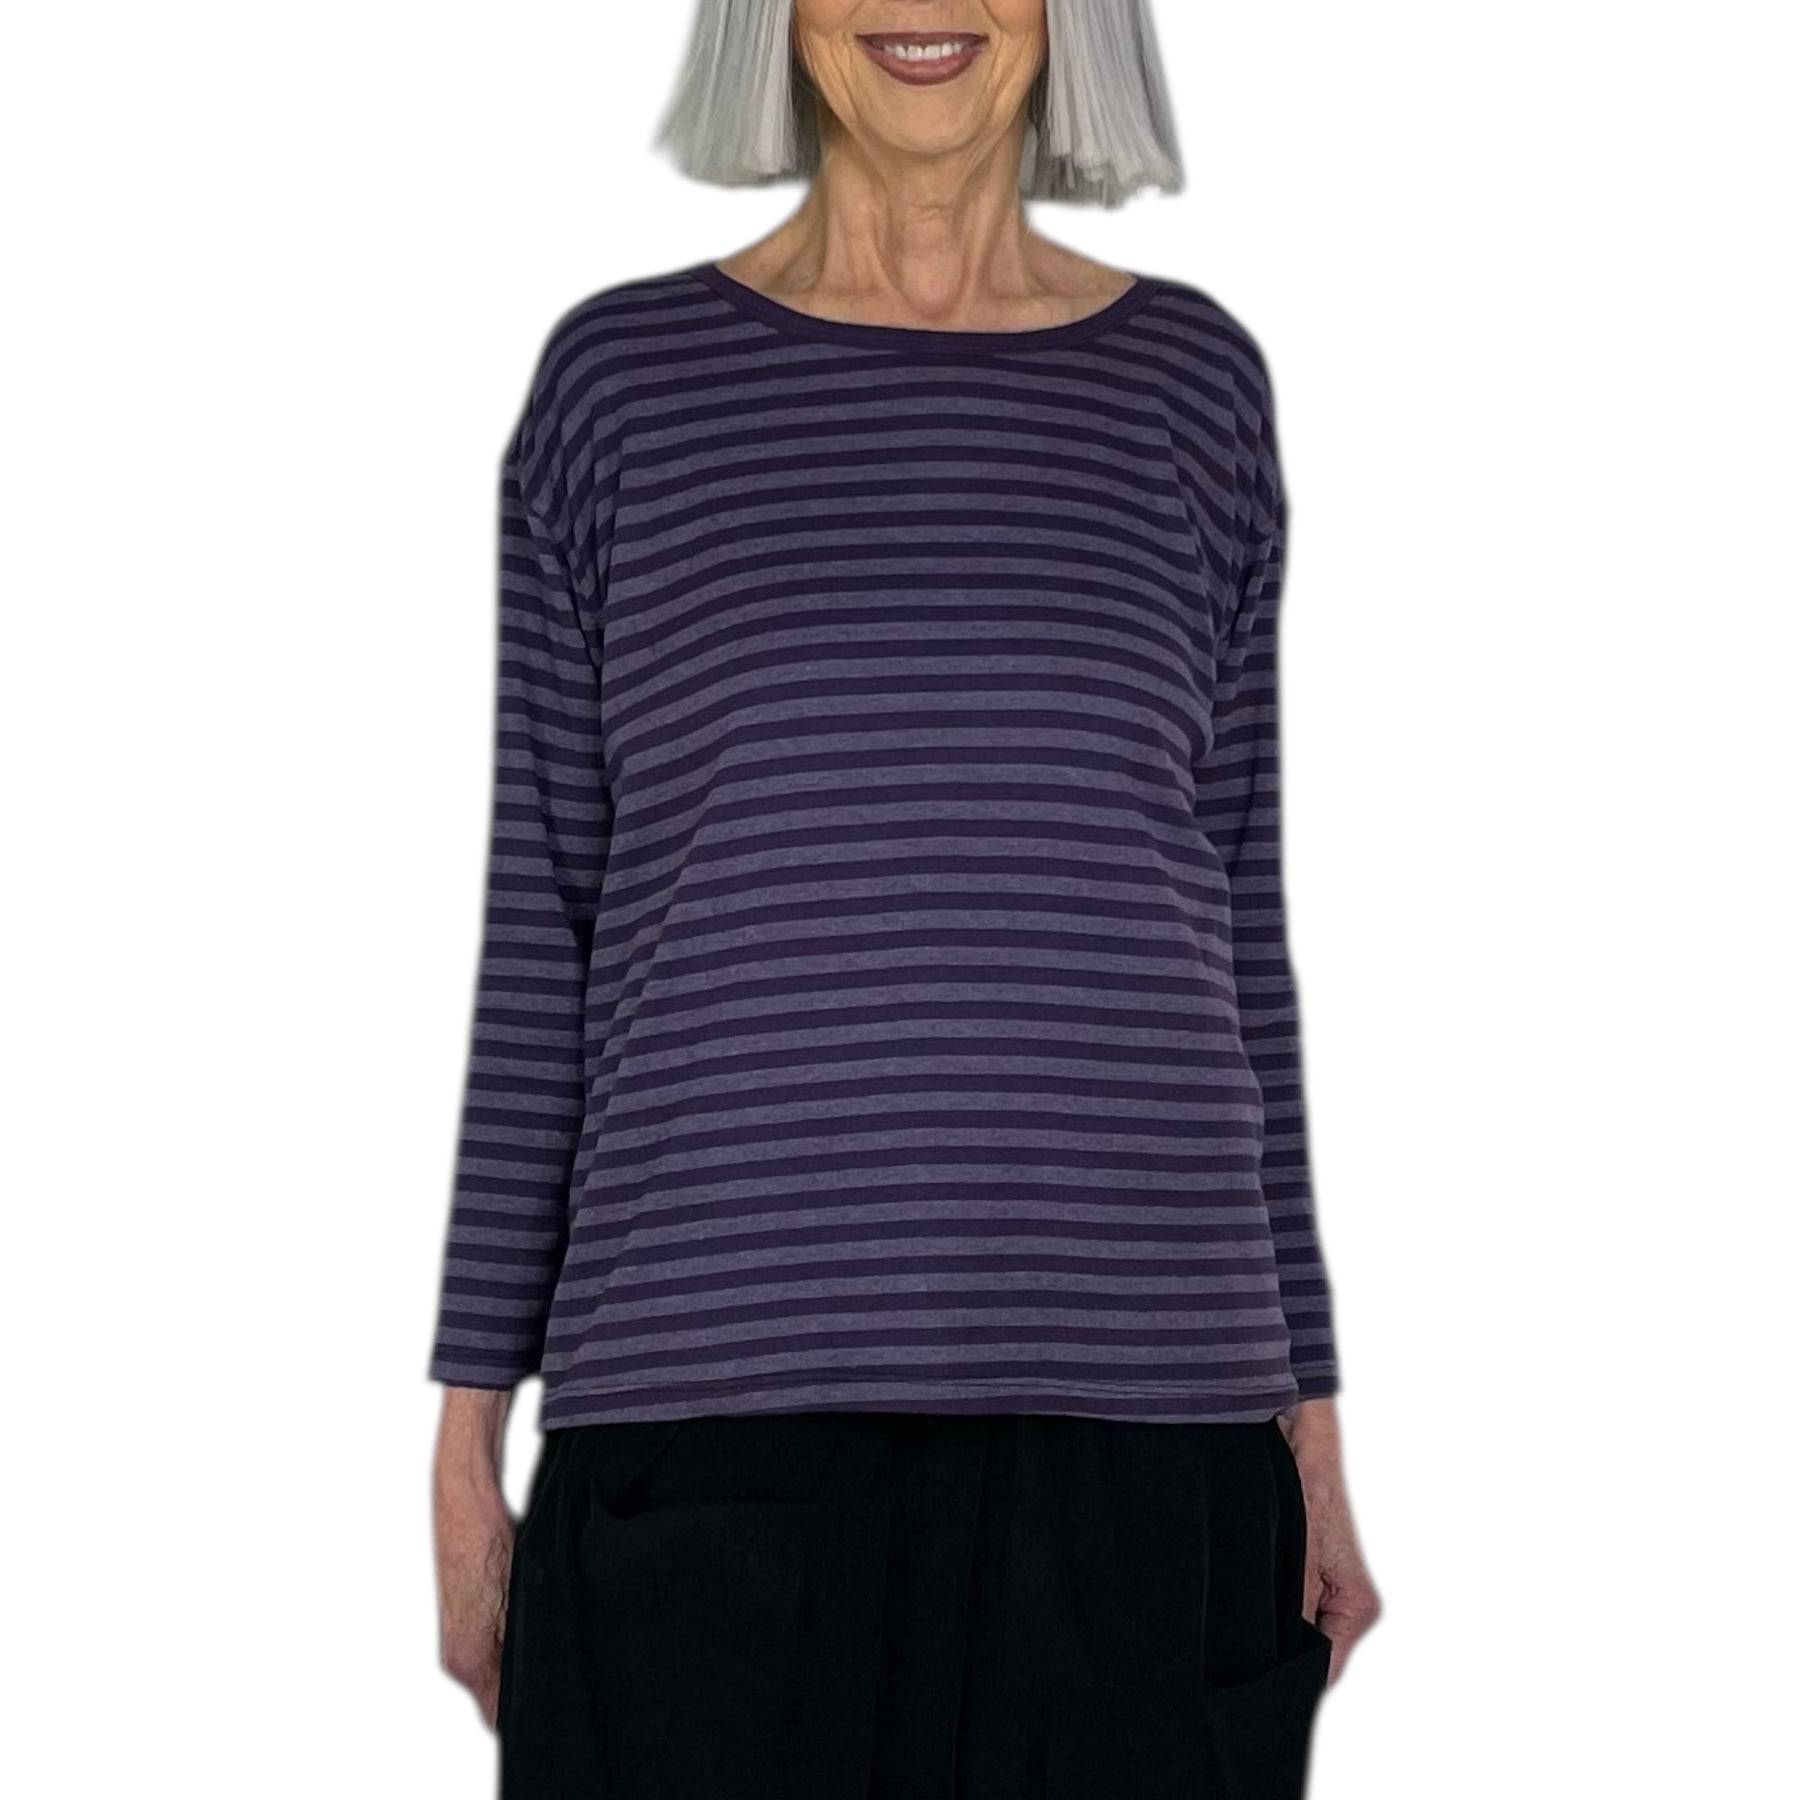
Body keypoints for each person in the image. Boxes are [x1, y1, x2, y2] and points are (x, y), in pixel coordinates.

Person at [428, 2, 1381, 1793]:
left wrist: (1311, 1423)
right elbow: (545, 933)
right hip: (707, 1423)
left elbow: (1236, 943)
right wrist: (466, 1441)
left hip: (1146, 1430)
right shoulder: (622, 389)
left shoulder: (1194, 391)